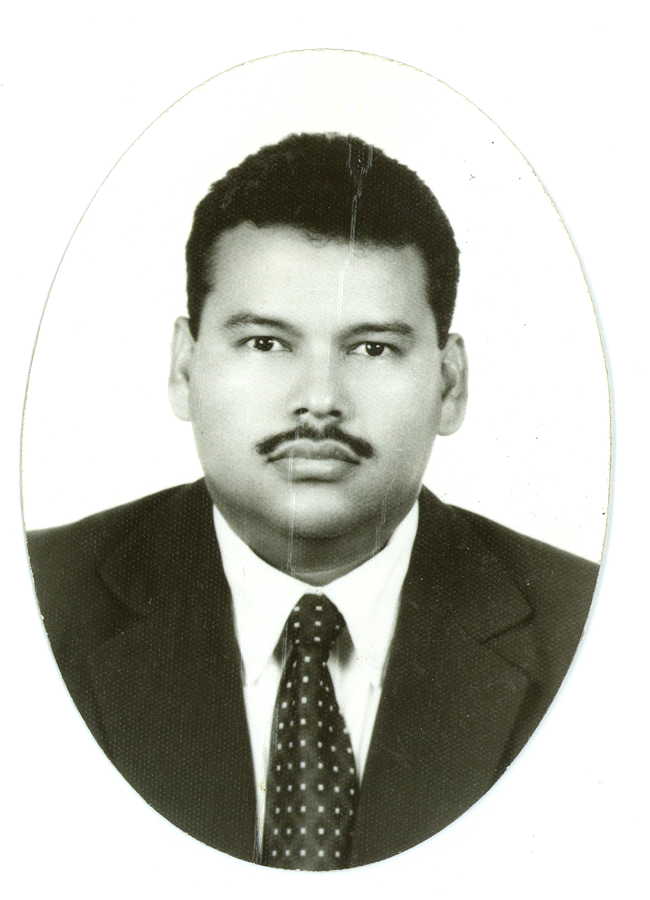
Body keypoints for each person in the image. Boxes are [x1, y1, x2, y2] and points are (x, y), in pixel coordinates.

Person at [27, 132, 599, 870]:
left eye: (372, 348)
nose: (320, 401)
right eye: (266, 343)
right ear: (184, 368)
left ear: (450, 384)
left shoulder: (594, 626)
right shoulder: (34, 601)